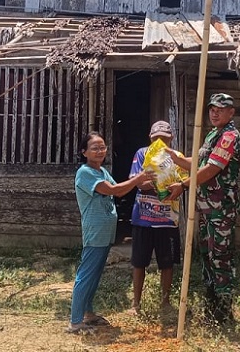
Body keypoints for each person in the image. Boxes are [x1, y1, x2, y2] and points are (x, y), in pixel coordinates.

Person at [175, 93, 240, 324]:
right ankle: (211, 308)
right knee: (206, 255)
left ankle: (224, 315)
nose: (215, 112)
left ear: (231, 112)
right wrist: (172, 157)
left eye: (220, 109)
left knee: (220, 257)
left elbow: (210, 170)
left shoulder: (229, 137)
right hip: (206, 207)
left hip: (221, 208)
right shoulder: (214, 134)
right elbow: (198, 163)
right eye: (212, 109)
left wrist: (183, 185)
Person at [68, 132, 146, 334]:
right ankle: (75, 321)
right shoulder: (85, 172)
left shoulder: (101, 170)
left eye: (102, 147)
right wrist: (139, 178)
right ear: (84, 152)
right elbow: (116, 191)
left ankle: (88, 313)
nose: (100, 151)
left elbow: (117, 187)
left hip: (105, 231)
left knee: (94, 274)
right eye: (95, 148)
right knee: (86, 274)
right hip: (95, 230)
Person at [128, 120, 184, 314]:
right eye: (156, 138)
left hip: (167, 219)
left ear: (171, 138)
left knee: (167, 263)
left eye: (164, 138)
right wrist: (158, 182)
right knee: (139, 262)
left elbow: (182, 183)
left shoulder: (176, 157)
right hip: (143, 217)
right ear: (150, 138)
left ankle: (166, 302)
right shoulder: (142, 154)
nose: (160, 141)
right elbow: (137, 182)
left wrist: (172, 186)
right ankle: (136, 303)